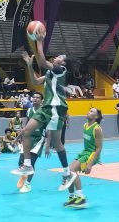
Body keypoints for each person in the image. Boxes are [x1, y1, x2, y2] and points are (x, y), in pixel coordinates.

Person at [12, 33, 76, 193]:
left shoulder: (60, 70)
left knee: (57, 143)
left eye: (60, 57)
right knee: (26, 132)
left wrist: (39, 41)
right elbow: (34, 82)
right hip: (48, 107)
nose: (57, 57)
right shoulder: (49, 73)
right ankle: (27, 166)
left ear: (64, 64)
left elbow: (41, 60)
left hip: (55, 107)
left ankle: (67, 173)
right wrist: (28, 64)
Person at [64, 108, 103, 209]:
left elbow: (99, 148)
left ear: (96, 117)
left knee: (72, 171)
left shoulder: (97, 128)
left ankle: (81, 197)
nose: (88, 112)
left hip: (91, 154)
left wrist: (90, 164)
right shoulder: (85, 125)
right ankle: (72, 197)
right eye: (89, 110)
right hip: (84, 152)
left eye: (92, 112)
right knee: (68, 171)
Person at [17, 91, 49, 194]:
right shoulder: (29, 110)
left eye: (38, 97)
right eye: (34, 97)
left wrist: (48, 144)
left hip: (39, 139)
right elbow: (27, 125)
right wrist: (20, 135)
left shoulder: (44, 112)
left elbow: (49, 128)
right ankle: (24, 175)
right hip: (27, 138)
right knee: (21, 161)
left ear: (41, 100)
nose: (35, 99)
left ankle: (27, 185)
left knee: (31, 163)